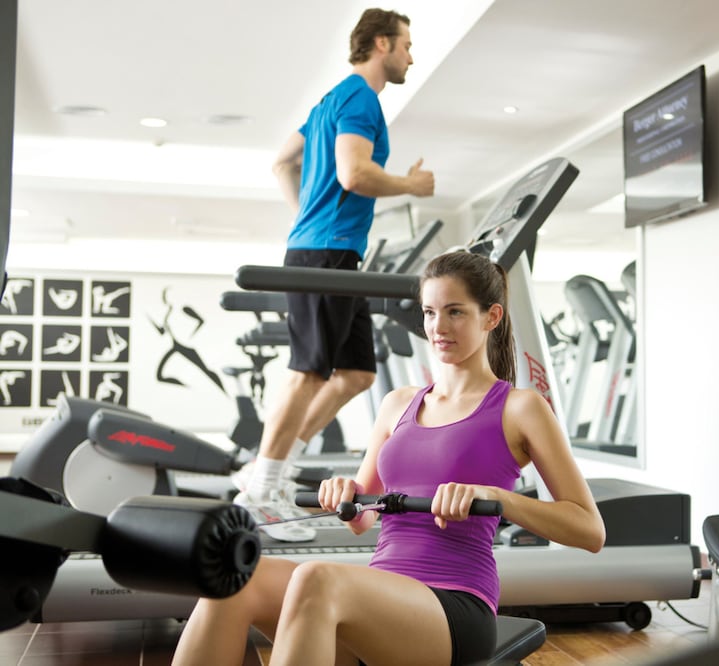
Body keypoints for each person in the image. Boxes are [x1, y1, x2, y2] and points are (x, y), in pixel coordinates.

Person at [172, 251, 606, 666]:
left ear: (491, 317)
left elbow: (590, 531)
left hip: (453, 605)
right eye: (430, 312)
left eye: (455, 312)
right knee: (235, 578)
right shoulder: (398, 404)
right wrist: (346, 495)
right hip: (381, 595)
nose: (438, 326)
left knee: (316, 577)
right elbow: (361, 519)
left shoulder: (520, 408)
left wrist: (499, 498)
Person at [234, 7, 436, 542]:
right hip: (326, 252)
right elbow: (354, 173)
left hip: (331, 251)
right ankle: (261, 489)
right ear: (381, 44)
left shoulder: (329, 101)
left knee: (357, 372)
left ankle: (272, 466)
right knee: (308, 372)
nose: (411, 56)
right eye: (406, 45)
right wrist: (410, 185)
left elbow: (283, 162)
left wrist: (306, 216)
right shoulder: (361, 98)